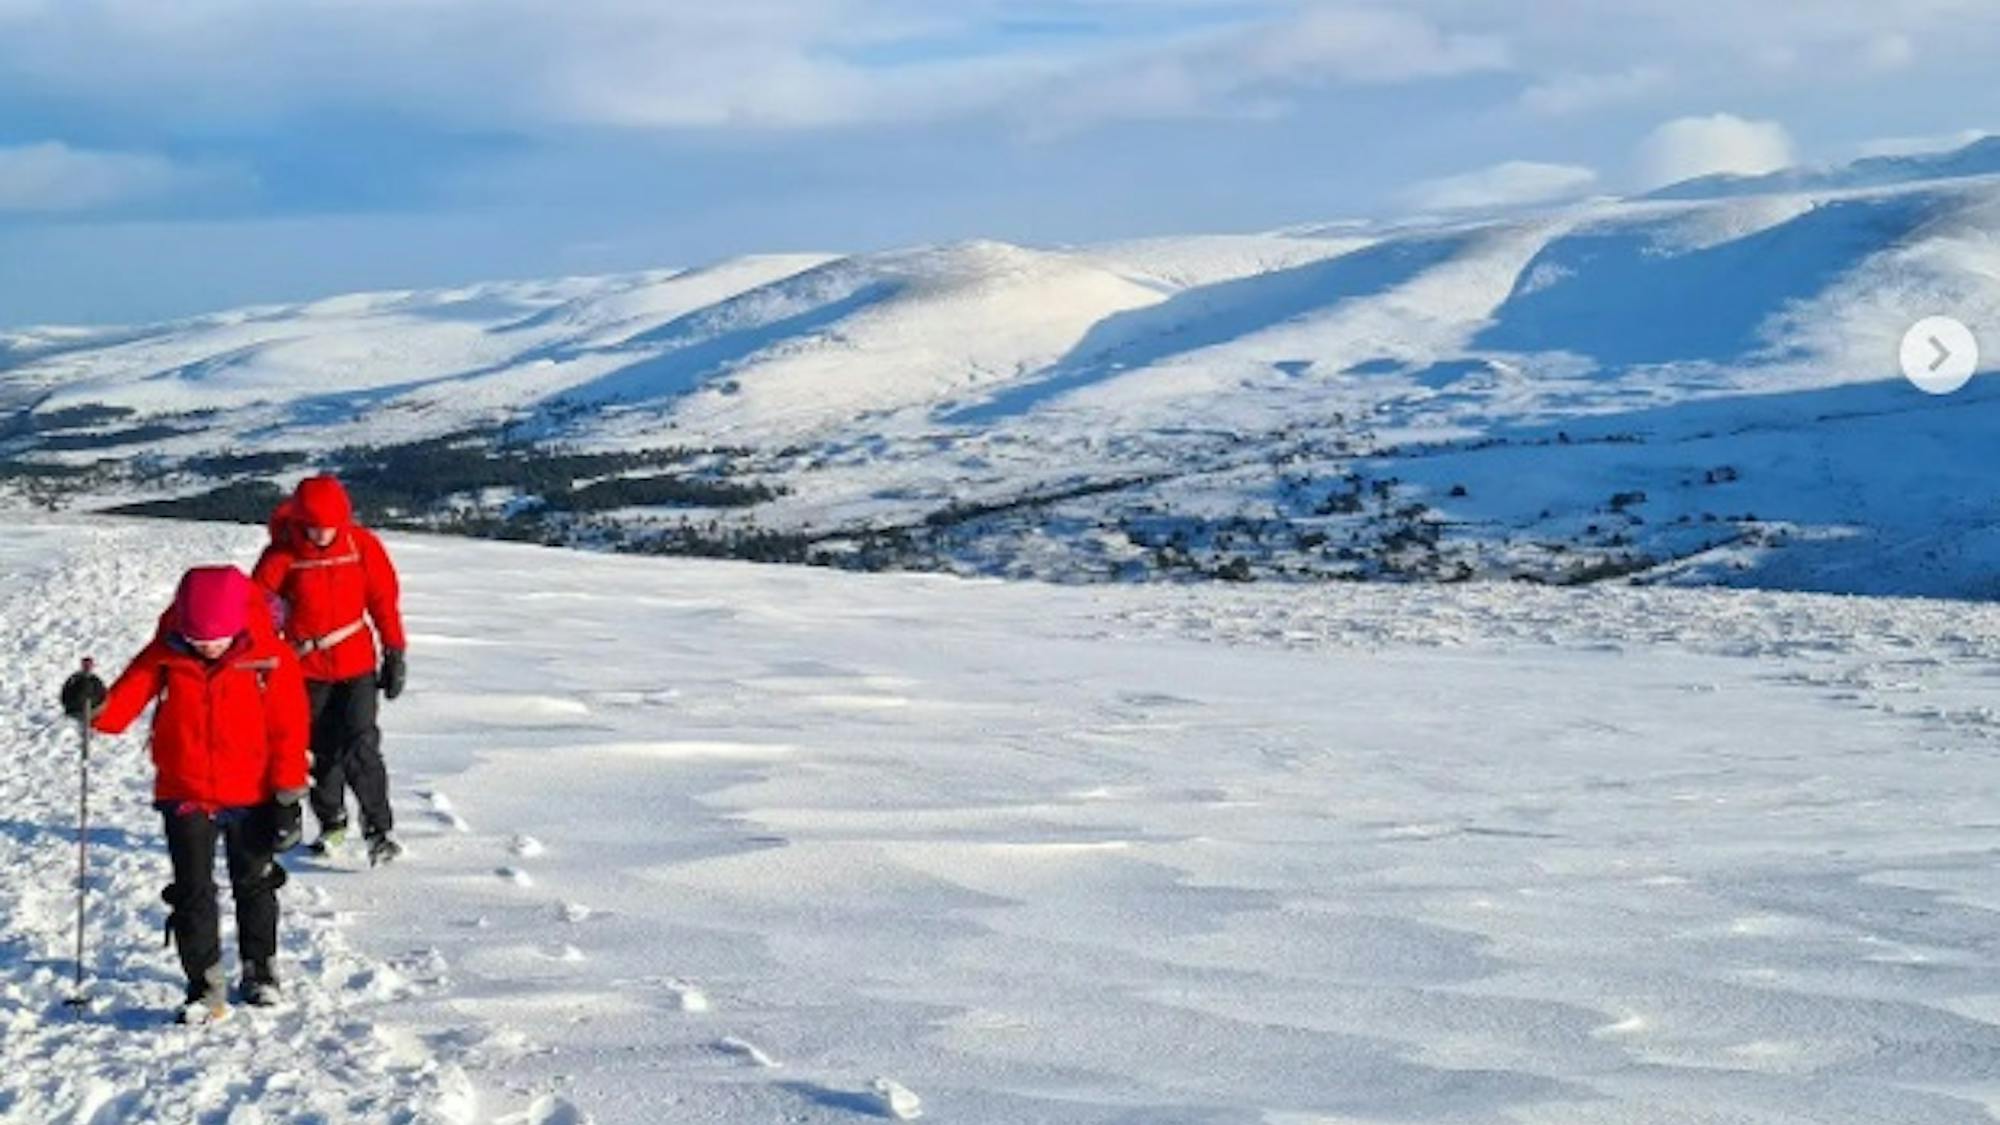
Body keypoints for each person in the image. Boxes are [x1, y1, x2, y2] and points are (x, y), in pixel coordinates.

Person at [71, 566, 309, 1023]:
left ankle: (260, 970)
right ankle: (204, 983)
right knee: (192, 891)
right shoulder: (165, 652)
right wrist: (89, 702)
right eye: (199, 639)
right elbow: (116, 712)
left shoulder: (271, 657)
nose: (207, 647)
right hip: (185, 790)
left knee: (255, 883)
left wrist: (287, 795)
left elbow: (289, 729)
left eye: (217, 639)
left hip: (254, 792)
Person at [254, 475, 408, 866]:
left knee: (362, 745)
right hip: (305, 670)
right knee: (322, 752)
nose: (323, 533)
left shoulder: (361, 546)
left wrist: (394, 651)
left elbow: (382, 599)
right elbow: (256, 614)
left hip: (356, 664)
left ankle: (379, 830)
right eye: (314, 525)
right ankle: (332, 820)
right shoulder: (281, 557)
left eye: (330, 525)